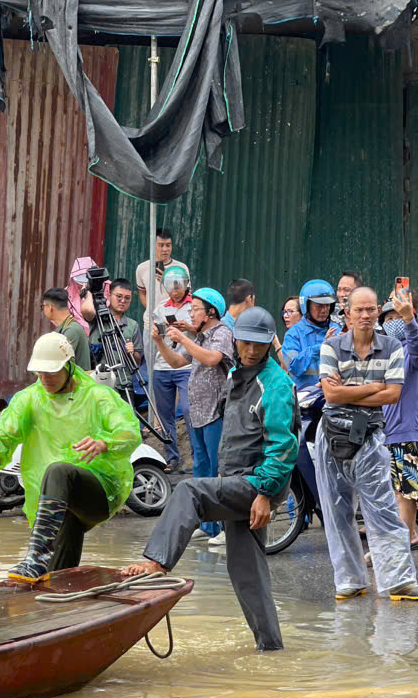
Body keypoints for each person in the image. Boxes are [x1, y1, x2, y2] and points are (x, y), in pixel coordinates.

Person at [121, 307, 298, 651]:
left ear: (268, 345)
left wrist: (263, 493)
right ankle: (272, 649)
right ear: (236, 339)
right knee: (246, 572)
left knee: (189, 491)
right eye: (245, 343)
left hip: (256, 483)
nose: (251, 350)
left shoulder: (274, 385)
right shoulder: (236, 374)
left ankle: (156, 561)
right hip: (239, 480)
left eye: (259, 346)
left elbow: (283, 446)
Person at [0, 333, 142, 584]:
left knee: (59, 470)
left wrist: (104, 442)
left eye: (51, 372)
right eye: (40, 373)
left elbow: (131, 433)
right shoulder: (29, 399)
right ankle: (55, 594)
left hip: (98, 491)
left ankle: (37, 556)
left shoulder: (97, 396)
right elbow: (3, 435)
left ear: (68, 366)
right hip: (55, 505)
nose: (45, 379)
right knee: (55, 576)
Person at [314, 286, 418, 601]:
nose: (366, 315)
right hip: (332, 434)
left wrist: (351, 388)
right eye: (359, 310)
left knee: (383, 509)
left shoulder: (393, 347)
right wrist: (373, 386)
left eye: (371, 310)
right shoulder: (332, 346)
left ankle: (400, 582)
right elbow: (331, 395)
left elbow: (393, 393)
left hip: (370, 434)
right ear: (348, 314)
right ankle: (349, 581)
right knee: (337, 510)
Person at [153, 287, 234, 541]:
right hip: (198, 414)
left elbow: (212, 359)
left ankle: (224, 526)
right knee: (201, 469)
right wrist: (159, 341)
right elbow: (177, 362)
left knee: (217, 470)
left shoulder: (221, 333)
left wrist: (185, 336)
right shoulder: (199, 337)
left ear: (210, 312)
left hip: (216, 412)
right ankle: (208, 525)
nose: (191, 314)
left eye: (196, 309)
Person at [380, 287, 418, 547]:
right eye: (388, 319)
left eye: (396, 318)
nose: (391, 323)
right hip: (382, 432)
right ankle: (402, 538)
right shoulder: (384, 352)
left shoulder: (411, 353)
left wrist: (408, 320)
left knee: (405, 492)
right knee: (390, 492)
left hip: (404, 432)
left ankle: (405, 538)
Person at [149, 266, 195, 473]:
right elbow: (156, 332)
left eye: (178, 286)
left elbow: (203, 330)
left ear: (186, 284)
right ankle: (172, 458)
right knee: (164, 414)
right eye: (170, 287)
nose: (175, 291)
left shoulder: (195, 306)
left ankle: (196, 456)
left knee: (188, 409)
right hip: (162, 365)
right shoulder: (160, 308)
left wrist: (189, 328)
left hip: (187, 364)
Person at [281, 279, 338, 392]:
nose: (324, 310)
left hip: (334, 398)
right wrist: (321, 347)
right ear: (306, 305)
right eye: (319, 306)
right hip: (304, 401)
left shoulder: (337, 330)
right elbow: (293, 367)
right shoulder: (293, 335)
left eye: (327, 305)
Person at [134, 227, 189, 327]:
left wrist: (168, 280)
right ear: (153, 246)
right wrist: (154, 310)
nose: (165, 249)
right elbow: (142, 293)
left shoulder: (181, 268)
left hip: (174, 322)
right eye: (161, 245)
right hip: (150, 323)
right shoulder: (142, 268)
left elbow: (187, 294)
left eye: (168, 245)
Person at [89, 278, 142, 366]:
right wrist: (88, 293)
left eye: (127, 298)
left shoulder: (133, 325)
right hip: (97, 376)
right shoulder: (96, 318)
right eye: (119, 296)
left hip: (123, 377)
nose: (123, 301)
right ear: (109, 295)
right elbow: (87, 310)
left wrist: (132, 352)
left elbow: (138, 361)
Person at [42, 287, 91, 370]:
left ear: (50, 307)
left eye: (43, 306)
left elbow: (57, 364)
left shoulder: (72, 330)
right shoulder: (67, 327)